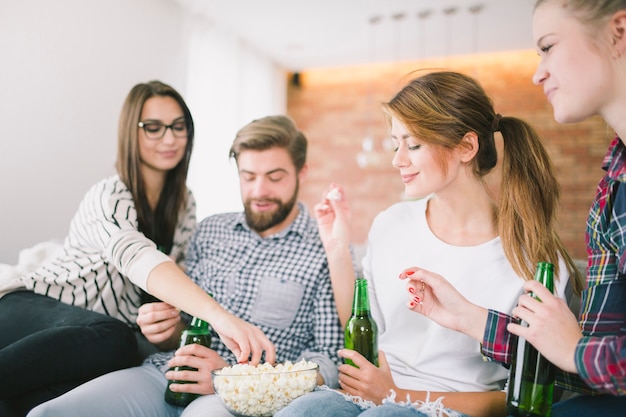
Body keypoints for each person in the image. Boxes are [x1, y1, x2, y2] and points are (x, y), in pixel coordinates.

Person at [275, 70, 584, 417]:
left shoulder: (533, 258)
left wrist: (397, 395)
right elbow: (364, 325)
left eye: (414, 144)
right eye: (395, 143)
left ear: (466, 147)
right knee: (304, 410)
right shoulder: (391, 223)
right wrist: (336, 247)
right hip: (376, 397)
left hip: (449, 408)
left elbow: (526, 396)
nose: (397, 159)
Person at [27, 115, 344, 417]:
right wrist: (165, 330)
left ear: (302, 172)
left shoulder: (327, 248)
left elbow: (329, 364)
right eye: (248, 177)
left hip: (236, 399)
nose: (259, 191)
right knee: (48, 412)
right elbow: (186, 323)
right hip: (164, 373)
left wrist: (232, 379)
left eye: (275, 177)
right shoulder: (209, 230)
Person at [401, 1, 626, 416]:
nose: (537, 72)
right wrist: (471, 318)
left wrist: (575, 349)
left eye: (548, 46)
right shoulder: (612, 184)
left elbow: (581, 360)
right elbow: (589, 375)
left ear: (619, 31)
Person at [0, 81, 274, 417]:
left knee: (69, 394)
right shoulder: (110, 195)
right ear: (132, 132)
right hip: (31, 310)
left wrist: (168, 328)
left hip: (88, 346)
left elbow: (172, 286)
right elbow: (136, 256)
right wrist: (220, 317)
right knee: (117, 340)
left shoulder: (184, 204)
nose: (169, 139)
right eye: (153, 128)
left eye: (178, 127)